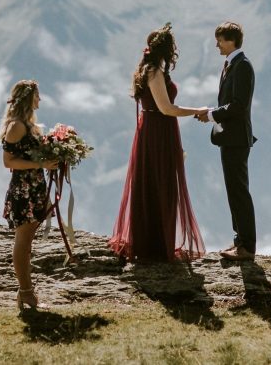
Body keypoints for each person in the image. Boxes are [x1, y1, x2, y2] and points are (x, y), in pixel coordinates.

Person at [109, 23, 208, 262]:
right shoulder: (154, 72)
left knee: (156, 183)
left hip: (157, 130)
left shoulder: (150, 69)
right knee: (158, 183)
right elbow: (166, 108)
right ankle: (153, 245)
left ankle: (154, 241)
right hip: (157, 132)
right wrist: (199, 110)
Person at [195, 21, 257, 262]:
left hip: (237, 139)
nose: (216, 44)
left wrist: (211, 114)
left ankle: (247, 246)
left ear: (231, 40)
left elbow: (239, 106)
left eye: (220, 40)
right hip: (230, 138)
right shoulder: (232, 65)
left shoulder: (242, 66)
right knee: (234, 190)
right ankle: (239, 241)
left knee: (239, 191)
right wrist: (213, 113)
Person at [0, 79, 58, 312]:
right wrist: (41, 162)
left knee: (28, 240)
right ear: (28, 98)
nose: (40, 99)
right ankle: (26, 293)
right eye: (37, 95)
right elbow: (8, 161)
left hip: (34, 186)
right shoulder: (17, 126)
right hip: (23, 189)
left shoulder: (27, 124)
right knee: (23, 241)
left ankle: (25, 291)